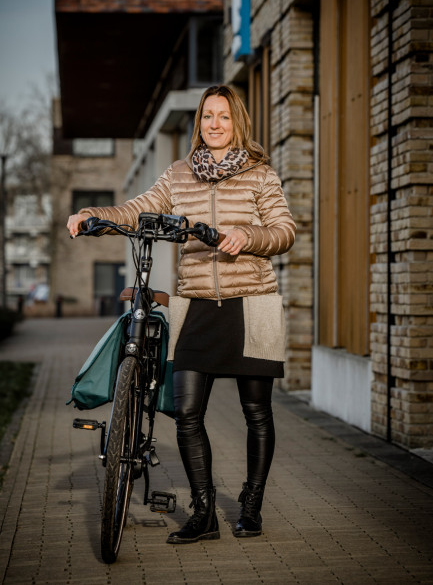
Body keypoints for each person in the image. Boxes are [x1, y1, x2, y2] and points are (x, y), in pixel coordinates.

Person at [67, 84, 296, 544]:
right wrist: (93, 212)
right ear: (199, 123)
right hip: (195, 307)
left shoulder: (260, 175)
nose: (215, 124)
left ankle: (251, 507)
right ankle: (205, 513)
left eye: (224, 116)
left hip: (252, 303)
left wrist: (246, 234)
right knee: (187, 413)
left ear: (238, 123)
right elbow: (136, 210)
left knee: (256, 413)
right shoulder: (178, 174)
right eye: (207, 116)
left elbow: (284, 230)